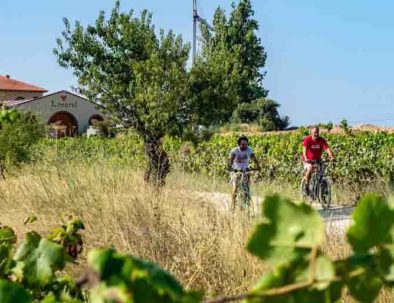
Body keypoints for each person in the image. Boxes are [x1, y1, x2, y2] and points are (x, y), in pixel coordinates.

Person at [228, 136, 261, 209]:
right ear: (239, 144)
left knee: (247, 190)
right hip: (236, 171)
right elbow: (231, 160)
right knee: (235, 189)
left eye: (246, 144)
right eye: (243, 144)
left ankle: (246, 206)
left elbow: (254, 159)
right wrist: (231, 168)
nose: (245, 146)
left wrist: (258, 166)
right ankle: (232, 206)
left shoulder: (249, 150)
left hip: (245, 171)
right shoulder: (235, 151)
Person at [302, 126, 335, 194]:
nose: (316, 134)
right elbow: (304, 150)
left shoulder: (321, 140)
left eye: (317, 132)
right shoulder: (307, 139)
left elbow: (327, 149)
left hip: (317, 160)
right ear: (311, 132)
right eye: (315, 132)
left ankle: (319, 190)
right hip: (308, 160)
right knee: (310, 168)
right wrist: (306, 158)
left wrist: (331, 156)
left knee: (321, 173)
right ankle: (306, 185)